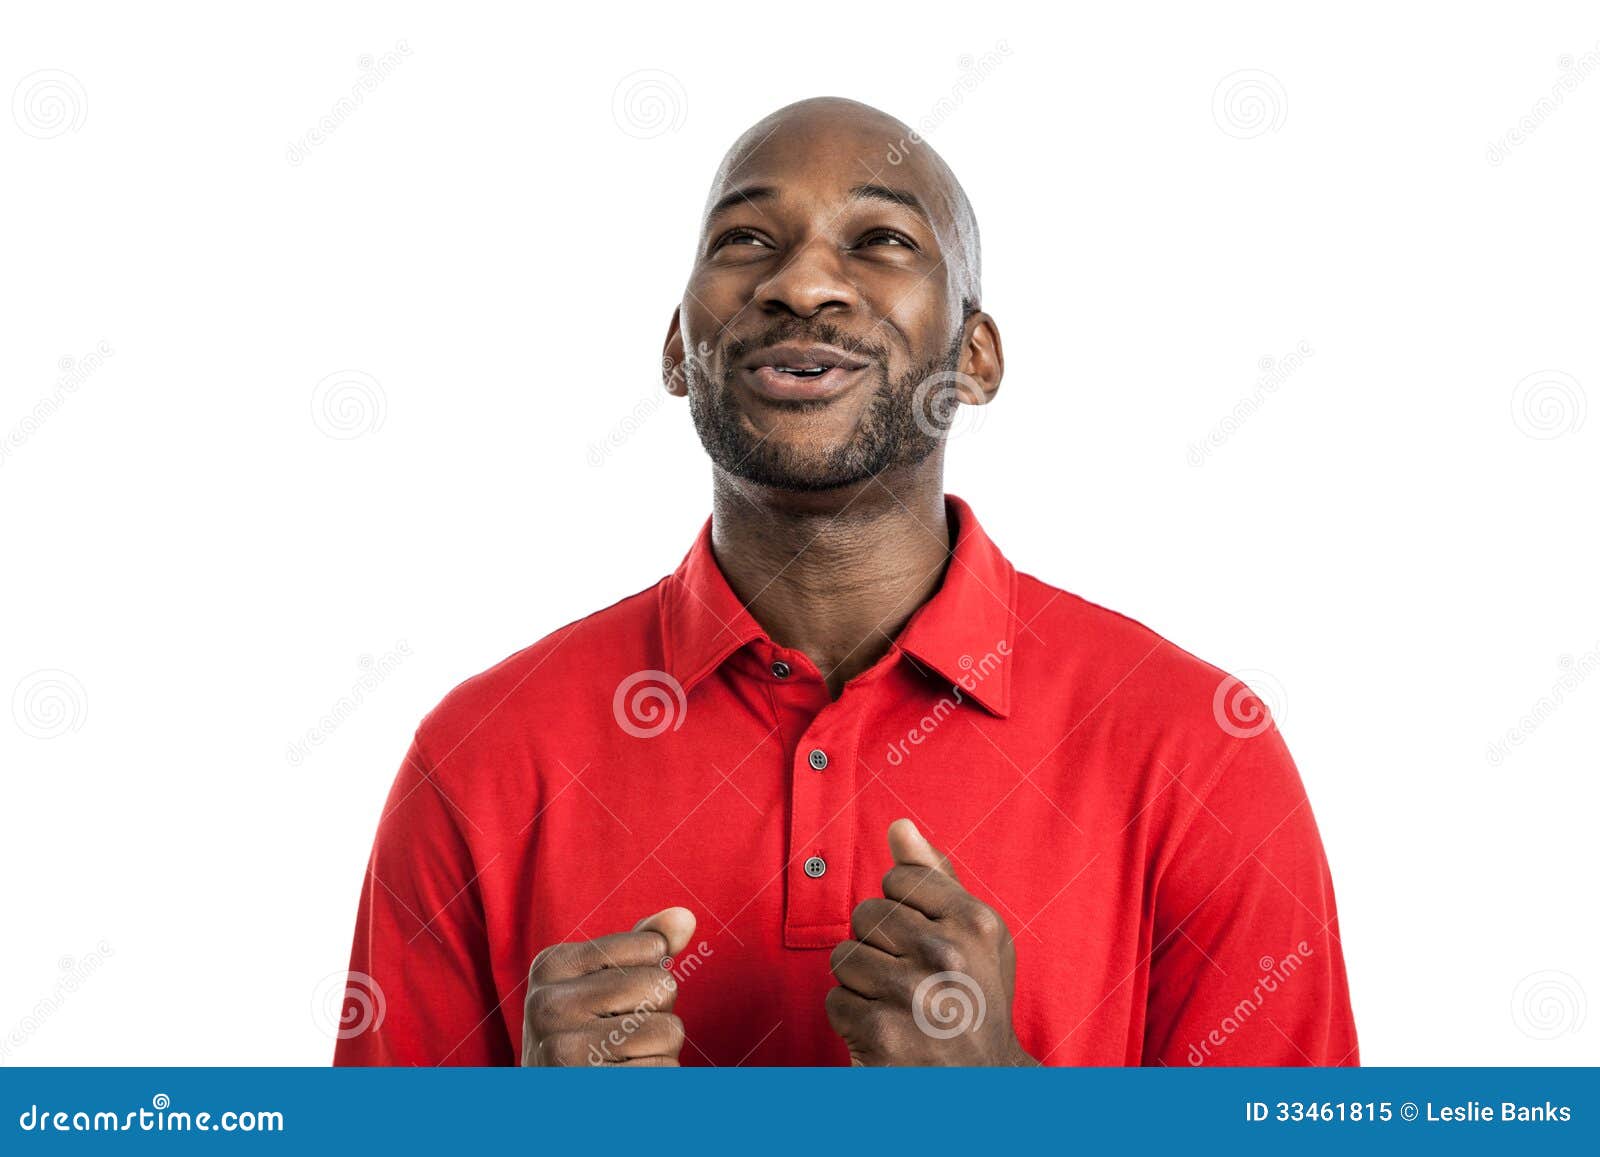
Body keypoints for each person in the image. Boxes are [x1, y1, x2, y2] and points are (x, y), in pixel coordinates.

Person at [333, 96, 1358, 1067]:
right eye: (745, 242)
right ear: (676, 349)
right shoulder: (479, 756)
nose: (803, 285)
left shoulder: (1198, 746)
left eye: (880, 242)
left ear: (978, 357)